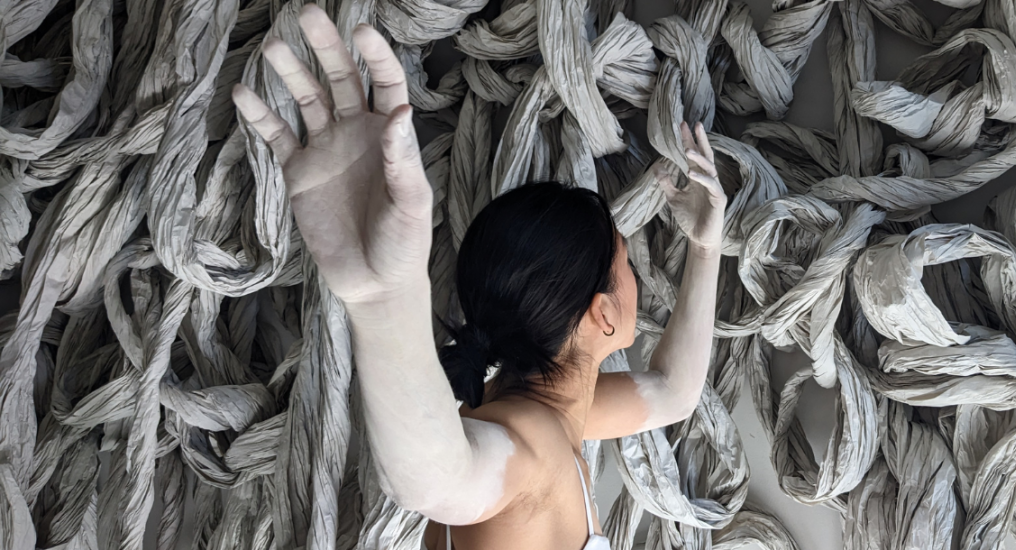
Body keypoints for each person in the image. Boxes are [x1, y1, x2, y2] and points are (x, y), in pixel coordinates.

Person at [230, 6, 727, 549]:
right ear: (601, 313)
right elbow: (434, 480)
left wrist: (706, 246)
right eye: (625, 263)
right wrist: (382, 298)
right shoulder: (528, 439)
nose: (636, 276)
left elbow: (673, 393)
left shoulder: (545, 415)